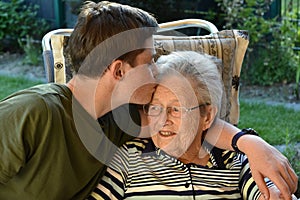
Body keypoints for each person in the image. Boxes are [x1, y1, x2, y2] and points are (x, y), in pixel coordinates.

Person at [0, 1, 297, 199]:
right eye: (151, 61)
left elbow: (193, 122)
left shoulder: (118, 119)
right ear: (119, 70)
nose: (157, 71)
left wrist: (251, 144)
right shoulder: (32, 113)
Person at [89, 51, 298, 200]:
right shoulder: (128, 158)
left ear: (207, 116)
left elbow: (271, 193)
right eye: (154, 108)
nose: (163, 120)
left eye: (177, 109)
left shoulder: (236, 162)